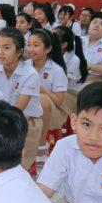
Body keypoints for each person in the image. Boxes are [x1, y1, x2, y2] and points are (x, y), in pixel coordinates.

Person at [0, 28, 43, 170]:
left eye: (6, 48)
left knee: (18, 167)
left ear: (19, 51)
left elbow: (18, 110)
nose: (0, 52)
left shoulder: (30, 74)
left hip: (25, 122)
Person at [26, 29, 68, 162]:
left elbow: (59, 101)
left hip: (52, 110)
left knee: (42, 100)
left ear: (48, 49)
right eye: (29, 45)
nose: (31, 49)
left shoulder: (56, 70)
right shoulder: (23, 66)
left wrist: (40, 89)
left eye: (36, 45)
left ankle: (41, 145)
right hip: (26, 105)